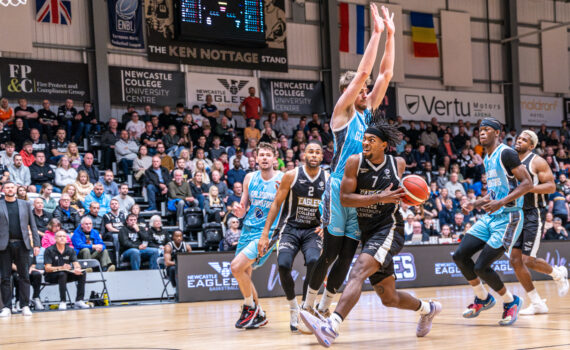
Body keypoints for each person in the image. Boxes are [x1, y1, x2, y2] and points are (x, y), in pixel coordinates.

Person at [300, 120, 440, 346]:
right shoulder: (354, 162)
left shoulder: (399, 164)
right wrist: (378, 197)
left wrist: (414, 197)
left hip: (389, 228)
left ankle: (331, 326)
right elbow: (345, 198)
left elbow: (407, 193)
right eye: (364, 138)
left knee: (357, 272)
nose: (365, 142)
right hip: (366, 231)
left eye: (371, 140)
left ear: (384, 145)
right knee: (388, 297)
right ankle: (428, 309)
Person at [300, 4, 396, 322]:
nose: (366, 90)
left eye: (365, 90)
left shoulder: (368, 115)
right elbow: (366, 73)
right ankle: (308, 304)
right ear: (347, 91)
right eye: (359, 88)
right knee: (330, 251)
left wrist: (392, 37)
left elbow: (385, 74)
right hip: (339, 186)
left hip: (359, 191)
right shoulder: (342, 114)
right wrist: (376, 34)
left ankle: (326, 307)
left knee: (347, 254)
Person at [453, 117, 532, 327]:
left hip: (509, 217)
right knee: (460, 255)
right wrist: (474, 203)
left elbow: (527, 183)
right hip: (491, 216)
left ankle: (511, 301)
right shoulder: (486, 157)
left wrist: (501, 202)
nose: (482, 133)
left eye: (487, 130)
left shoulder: (506, 153)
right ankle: (482, 297)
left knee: (481, 267)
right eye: (480, 130)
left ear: (497, 133)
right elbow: (493, 193)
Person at [258, 141, 327, 331]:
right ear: (304, 155)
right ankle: (293, 307)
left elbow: (334, 206)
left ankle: (306, 306)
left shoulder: (328, 178)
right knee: (283, 264)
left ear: (322, 157)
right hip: (289, 229)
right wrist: (265, 234)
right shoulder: (291, 175)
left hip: (313, 230)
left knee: (314, 261)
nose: (313, 155)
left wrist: (325, 224)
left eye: (317, 152)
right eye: (310, 152)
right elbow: (276, 204)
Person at [511, 130, 568, 314]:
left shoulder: (537, 161)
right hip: (517, 214)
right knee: (515, 260)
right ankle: (536, 303)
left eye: (524, 139)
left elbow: (551, 186)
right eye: (518, 138)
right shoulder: (511, 160)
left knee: (528, 260)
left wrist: (528, 188)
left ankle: (558, 274)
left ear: (532, 145)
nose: (519, 141)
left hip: (534, 213)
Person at [230, 142, 284, 329]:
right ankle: (259, 314)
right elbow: (243, 208)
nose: (264, 158)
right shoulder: (249, 178)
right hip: (247, 230)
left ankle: (249, 306)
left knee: (235, 268)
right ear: (256, 157)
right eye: (261, 154)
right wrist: (238, 211)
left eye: (268, 155)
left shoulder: (283, 179)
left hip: (266, 234)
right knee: (244, 272)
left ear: (275, 158)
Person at [0, 182, 40, 317]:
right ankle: (6, 306)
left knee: (24, 276)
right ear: (3, 189)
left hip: (23, 244)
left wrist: (36, 244)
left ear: (16, 189)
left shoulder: (26, 204)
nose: (10, 189)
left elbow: (33, 226)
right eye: (7, 187)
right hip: (4, 245)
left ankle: (25, 305)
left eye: (12, 187)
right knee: (5, 277)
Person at [43, 230, 90, 310]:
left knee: (82, 273)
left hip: (66, 275)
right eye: (60, 236)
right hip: (51, 276)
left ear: (67, 239)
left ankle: (79, 300)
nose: (62, 238)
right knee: (62, 273)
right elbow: (47, 268)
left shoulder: (70, 250)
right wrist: (61, 267)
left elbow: (76, 263)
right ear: (55, 238)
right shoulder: (49, 250)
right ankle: (63, 301)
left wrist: (77, 269)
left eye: (64, 236)